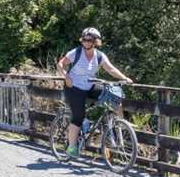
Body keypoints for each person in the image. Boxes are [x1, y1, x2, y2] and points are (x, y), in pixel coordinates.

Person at [56, 27, 133, 157]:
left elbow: (111, 69)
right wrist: (66, 76)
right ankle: (72, 147)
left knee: (114, 97)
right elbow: (60, 64)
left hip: (90, 86)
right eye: (84, 39)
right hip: (74, 87)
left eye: (89, 40)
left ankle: (121, 126)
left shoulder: (99, 55)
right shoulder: (76, 52)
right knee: (78, 117)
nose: (86, 42)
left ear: (96, 42)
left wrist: (124, 78)